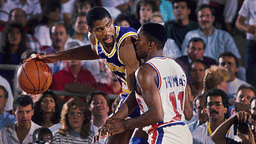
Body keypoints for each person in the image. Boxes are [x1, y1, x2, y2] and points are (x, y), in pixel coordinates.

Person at [27, 6, 142, 143]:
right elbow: (94, 51)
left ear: (112, 21)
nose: (106, 32)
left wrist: (115, 118)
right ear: (91, 31)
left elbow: (136, 94)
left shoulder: (126, 46)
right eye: (99, 29)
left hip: (146, 96)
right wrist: (55, 57)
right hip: (130, 96)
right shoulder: (94, 39)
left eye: (108, 25)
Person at [98, 23, 193, 143]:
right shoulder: (177, 67)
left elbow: (157, 115)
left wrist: (125, 124)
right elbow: (189, 114)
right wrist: (112, 122)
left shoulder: (145, 71)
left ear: (150, 45)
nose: (135, 43)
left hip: (164, 136)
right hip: (184, 134)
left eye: (138, 39)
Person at [236, 0, 256, 88]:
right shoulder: (250, 1)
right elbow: (238, 22)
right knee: (251, 76)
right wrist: (247, 28)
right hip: (253, 42)